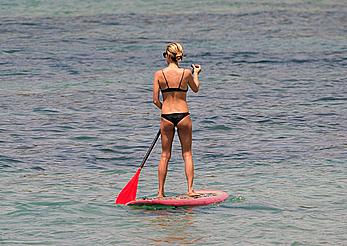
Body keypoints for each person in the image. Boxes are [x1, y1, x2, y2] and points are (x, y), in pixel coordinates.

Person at [152, 42, 201, 198]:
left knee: (165, 155)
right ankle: (190, 190)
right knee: (187, 153)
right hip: (183, 115)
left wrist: (165, 110)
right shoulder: (186, 73)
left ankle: (160, 193)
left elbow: (155, 100)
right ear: (179, 57)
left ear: (167, 56)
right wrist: (196, 73)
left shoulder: (159, 74)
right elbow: (196, 89)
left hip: (166, 116)